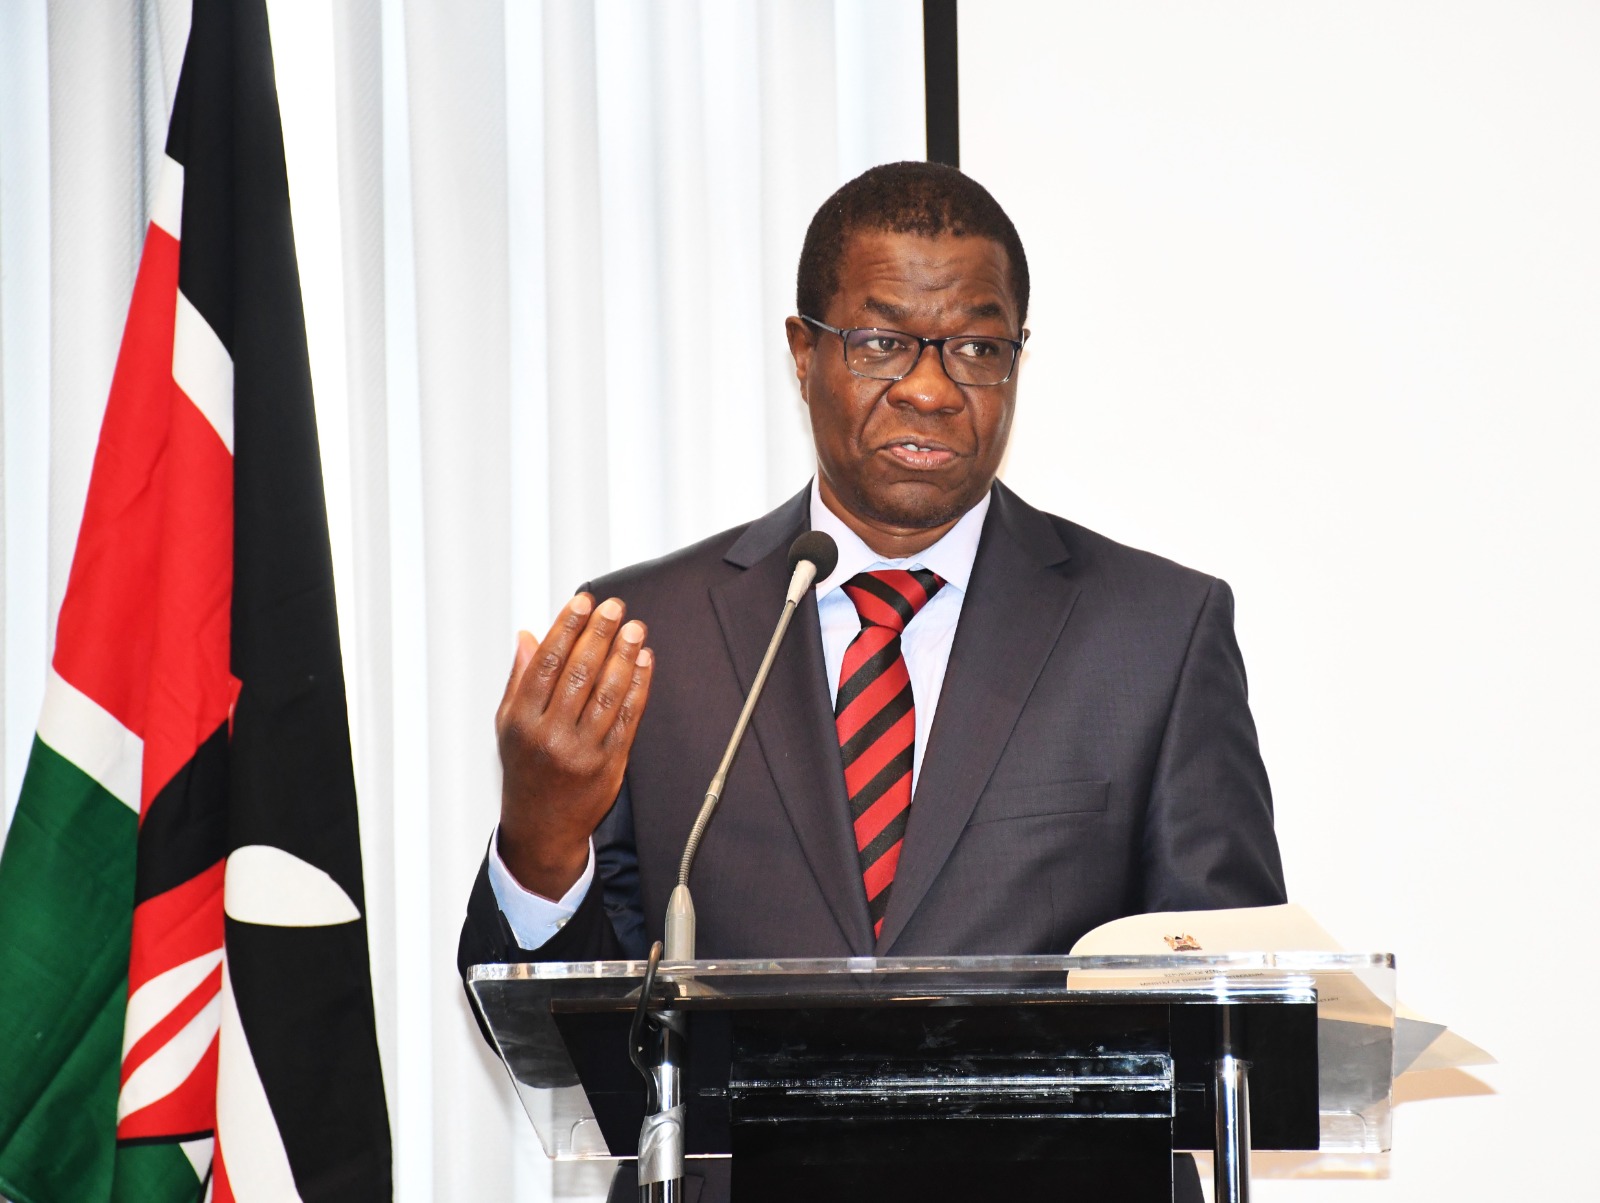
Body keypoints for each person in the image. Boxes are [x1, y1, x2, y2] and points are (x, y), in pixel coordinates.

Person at [459, 161, 1286, 1202]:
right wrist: (542, 842)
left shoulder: (1155, 632)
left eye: (978, 348)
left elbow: (1235, 1008)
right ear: (804, 354)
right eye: (882, 342)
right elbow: (566, 1050)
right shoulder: (648, 635)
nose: (933, 389)